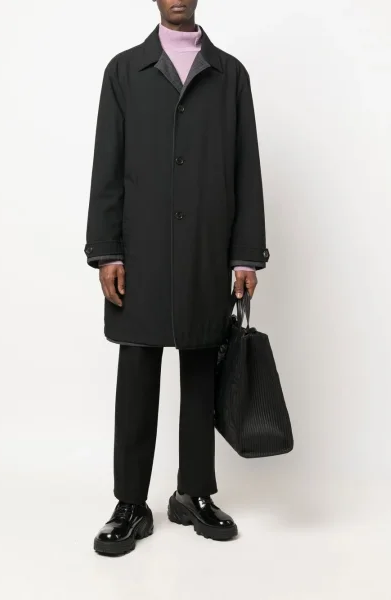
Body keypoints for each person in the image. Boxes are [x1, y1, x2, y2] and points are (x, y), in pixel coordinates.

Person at [85, 0, 269, 556]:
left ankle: (193, 493)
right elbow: (107, 164)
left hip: (206, 249)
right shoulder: (124, 70)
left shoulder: (230, 74)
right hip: (139, 251)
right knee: (137, 374)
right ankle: (130, 503)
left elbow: (246, 166)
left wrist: (244, 255)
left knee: (200, 370)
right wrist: (107, 250)